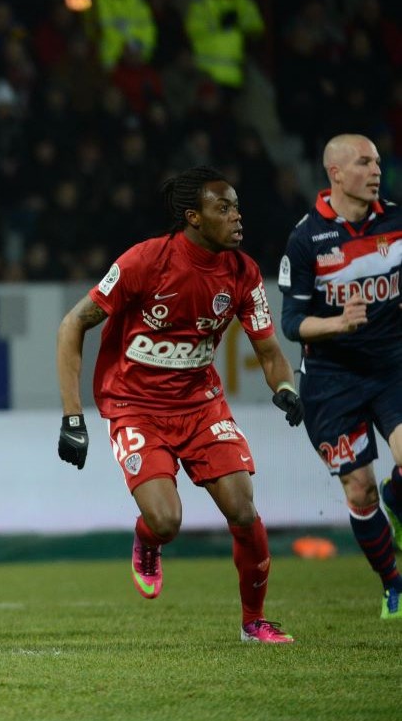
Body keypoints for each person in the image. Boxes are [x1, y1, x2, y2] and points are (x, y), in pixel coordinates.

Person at [57, 165, 301, 644]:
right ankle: (149, 539)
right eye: (223, 208)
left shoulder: (243, 273)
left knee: (243, 510)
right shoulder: (145, 261)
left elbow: (270, 352)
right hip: (134, 405)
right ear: (194, 217)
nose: (237, 217)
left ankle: (254, 622)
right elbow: (72, 324)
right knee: (167, 521)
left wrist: (285, 388)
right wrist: (72, 416)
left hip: (201, 405)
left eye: (236, 207)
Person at [277, 134, 402, 619]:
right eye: (364, 163)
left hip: (391, 367)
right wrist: (338, 324)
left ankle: (396, 498)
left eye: (377, 162)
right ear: (336, 173)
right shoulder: (306, 239)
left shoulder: (396, 221)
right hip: (331, 381)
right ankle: (393, 584)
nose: (376, 171)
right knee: (359, 489)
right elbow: (291, 323)